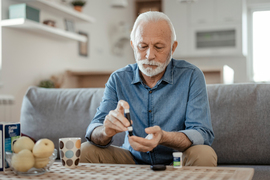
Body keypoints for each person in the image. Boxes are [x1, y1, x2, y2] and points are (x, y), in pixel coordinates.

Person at [81, 11, 217, 166]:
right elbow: (93, 129)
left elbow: (202, 133)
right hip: (131, 160)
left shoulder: (192, 76)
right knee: (86, 151)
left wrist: (163, 137)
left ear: (173, 48)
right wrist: (106, 131)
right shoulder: (118, 79)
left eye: (158, 47)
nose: (149, 55)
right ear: (133, 45)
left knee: (204, 154)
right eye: (142, 46)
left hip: (177, 160)